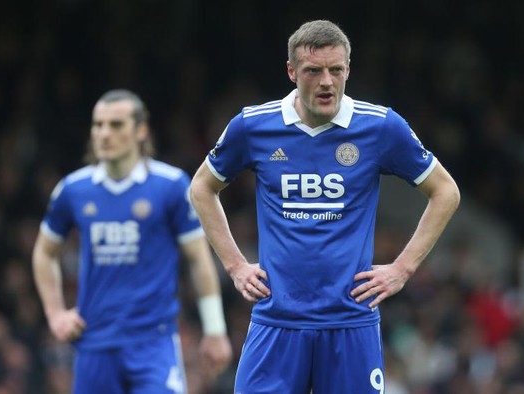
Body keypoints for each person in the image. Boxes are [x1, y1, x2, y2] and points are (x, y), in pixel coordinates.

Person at [190, 19, 461, 393]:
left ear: (349, 68)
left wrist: (402, 268)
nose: (327, 82)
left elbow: (445, 191)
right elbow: (202, 188)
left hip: (351, 321)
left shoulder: (380, 127)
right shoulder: (253, 126)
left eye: (336, 70)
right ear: (291, 71)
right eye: (313, 71)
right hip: (276, 320)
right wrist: (235, 266)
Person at [32, 89, 232, 393]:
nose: (104, 134)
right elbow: (45, 253)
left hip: (154, 342)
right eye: (98, 125)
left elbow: (198, 258)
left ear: (140, 130)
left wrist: (215, 329)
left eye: (115, 125)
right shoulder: (73, 190)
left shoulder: (170, 186)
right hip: (94, 343)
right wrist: (55, 313)